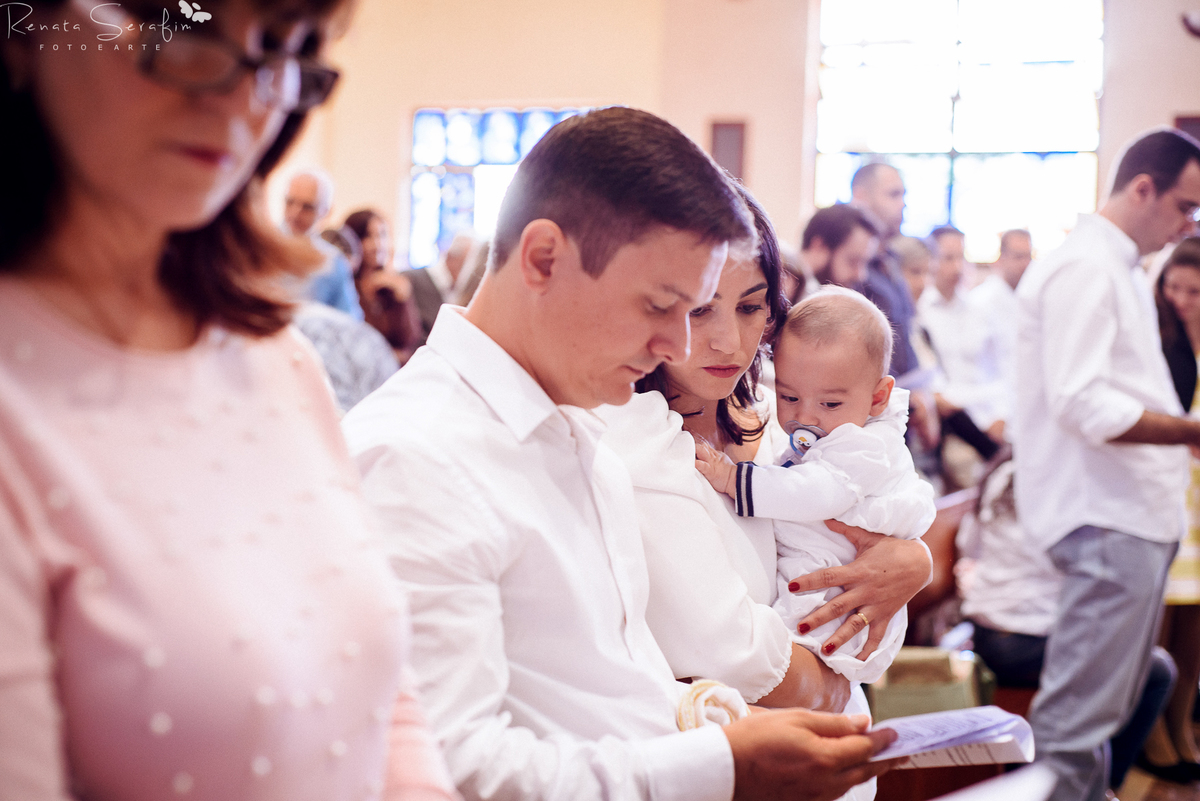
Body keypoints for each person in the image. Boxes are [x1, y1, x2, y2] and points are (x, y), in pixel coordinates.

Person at [343, 107, 901, 801]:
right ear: (544, 259)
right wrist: (723, 764)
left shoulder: (581, 426)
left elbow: (614, 694)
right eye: (665, 306)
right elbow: (449, 768)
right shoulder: (415, 454)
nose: (680, 346)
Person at [0, 0, 457, 799]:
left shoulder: (275, 356)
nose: (242, 94)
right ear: (24, 30)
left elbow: (384, 700)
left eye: (279, 46)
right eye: (182, 27)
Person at [595, 188, 934, 731]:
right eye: (700, 309)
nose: (729, 342)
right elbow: (729, 650)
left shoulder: (778, 406)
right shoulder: (636, 440)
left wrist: (911, 560)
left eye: (751, 307)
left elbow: (869, 497)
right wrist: (832, 690)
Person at [1014, 127, 1200, 801]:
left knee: (1102, 721)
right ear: (1142, 187)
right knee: (1071, 731)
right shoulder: (1085, 266)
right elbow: (1082, 403)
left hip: (1130, 517)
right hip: (1103, 517)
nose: (1187, 225)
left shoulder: (1118, 267)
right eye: (1184, 207)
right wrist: (1192, 431)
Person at [695, 287, 935, 686]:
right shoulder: (816, 422)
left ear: (878, 398)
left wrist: (732, 477)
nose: (804, 416)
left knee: (810, 618)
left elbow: (817, 491)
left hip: (836, 574)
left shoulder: (865, 445)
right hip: (805, 596)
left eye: (829, 404)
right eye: (789, 396)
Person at [1140, 236, 1200, 783]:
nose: (1181, 300)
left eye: (1195, 291)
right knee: (1161, 621)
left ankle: (1182, 724)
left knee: (1194, 632)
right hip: (1170, 492)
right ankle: (1153, 730)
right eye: (1173, 288)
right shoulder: (1159, 343)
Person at [919, 225, 1006, 488]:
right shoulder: (921, 310)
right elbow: (934, 387)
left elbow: (999, 368)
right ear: (931, 262)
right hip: (951, 421)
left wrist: (1000, 414)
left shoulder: (979, 309)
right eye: (948, 258)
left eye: (961, 257)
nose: (957, 267)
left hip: (987, 414)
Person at [849, 163, 919, 382]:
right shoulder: (851, 268)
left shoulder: (892, 260)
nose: (903, 204)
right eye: (893, 194)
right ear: (861, 197)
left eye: (903, 195)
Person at [345, 209, 425, 364]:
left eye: (382, 235)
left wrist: (403, 298)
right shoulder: (346, 285)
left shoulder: (393, 285)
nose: (377, 244)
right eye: (368, 236)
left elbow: (409, 342)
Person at [283, 167, 364, 319]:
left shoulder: (333, 262)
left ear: (326, 211)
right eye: (289, 202)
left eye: (307, 207)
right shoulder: (259, 246)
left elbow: (350, 321)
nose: (295, 213)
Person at [784, 205, 881, 303]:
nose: (860, 275)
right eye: (852, 261)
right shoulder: (782, 288)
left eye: (864, 263)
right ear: (818, 245)